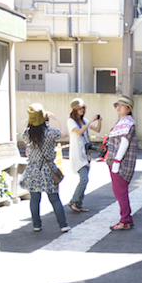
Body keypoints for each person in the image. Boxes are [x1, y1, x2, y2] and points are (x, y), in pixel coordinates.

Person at [19, 103, 71, 233]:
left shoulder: (27, 133)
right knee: (54, 199)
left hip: (32, 168)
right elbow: (64, 134)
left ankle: (36, 225)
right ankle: (63, 225)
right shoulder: (50, 132)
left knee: (34, 199)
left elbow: (26, 132)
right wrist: (56, 119)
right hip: (47, 168)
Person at [106, 95, 138, 231]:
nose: (118, 107)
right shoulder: (124, 121)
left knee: (120, 192)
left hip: (120, 163)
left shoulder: (127, 123)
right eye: (117, 105)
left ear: (129, 108)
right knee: (121, 192)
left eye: (122, 105)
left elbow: (124, 143)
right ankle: (128, 219)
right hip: (118, 162)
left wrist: (117, 162)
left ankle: (124, 220)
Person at [67, 98, 101, 212]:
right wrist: (90, 121)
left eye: (83, 108)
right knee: (84, 179)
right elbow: (79, 132)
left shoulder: (84, 120)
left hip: (86, 154)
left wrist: (99, 121)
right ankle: (73, 201)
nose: (82, 110)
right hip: (77, 154)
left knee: (85, 179)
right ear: (74, 110)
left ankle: (78, 203)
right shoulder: (70, 121)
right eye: (79, 108)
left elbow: (97, 130)